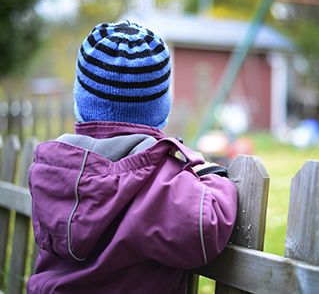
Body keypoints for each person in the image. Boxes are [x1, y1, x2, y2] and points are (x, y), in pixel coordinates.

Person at [27, 20, 238, 294]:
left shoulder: (50, 169)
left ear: (79, 101)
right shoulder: (157, 180)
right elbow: (206, 225)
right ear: (162, 110)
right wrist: (210, 174)